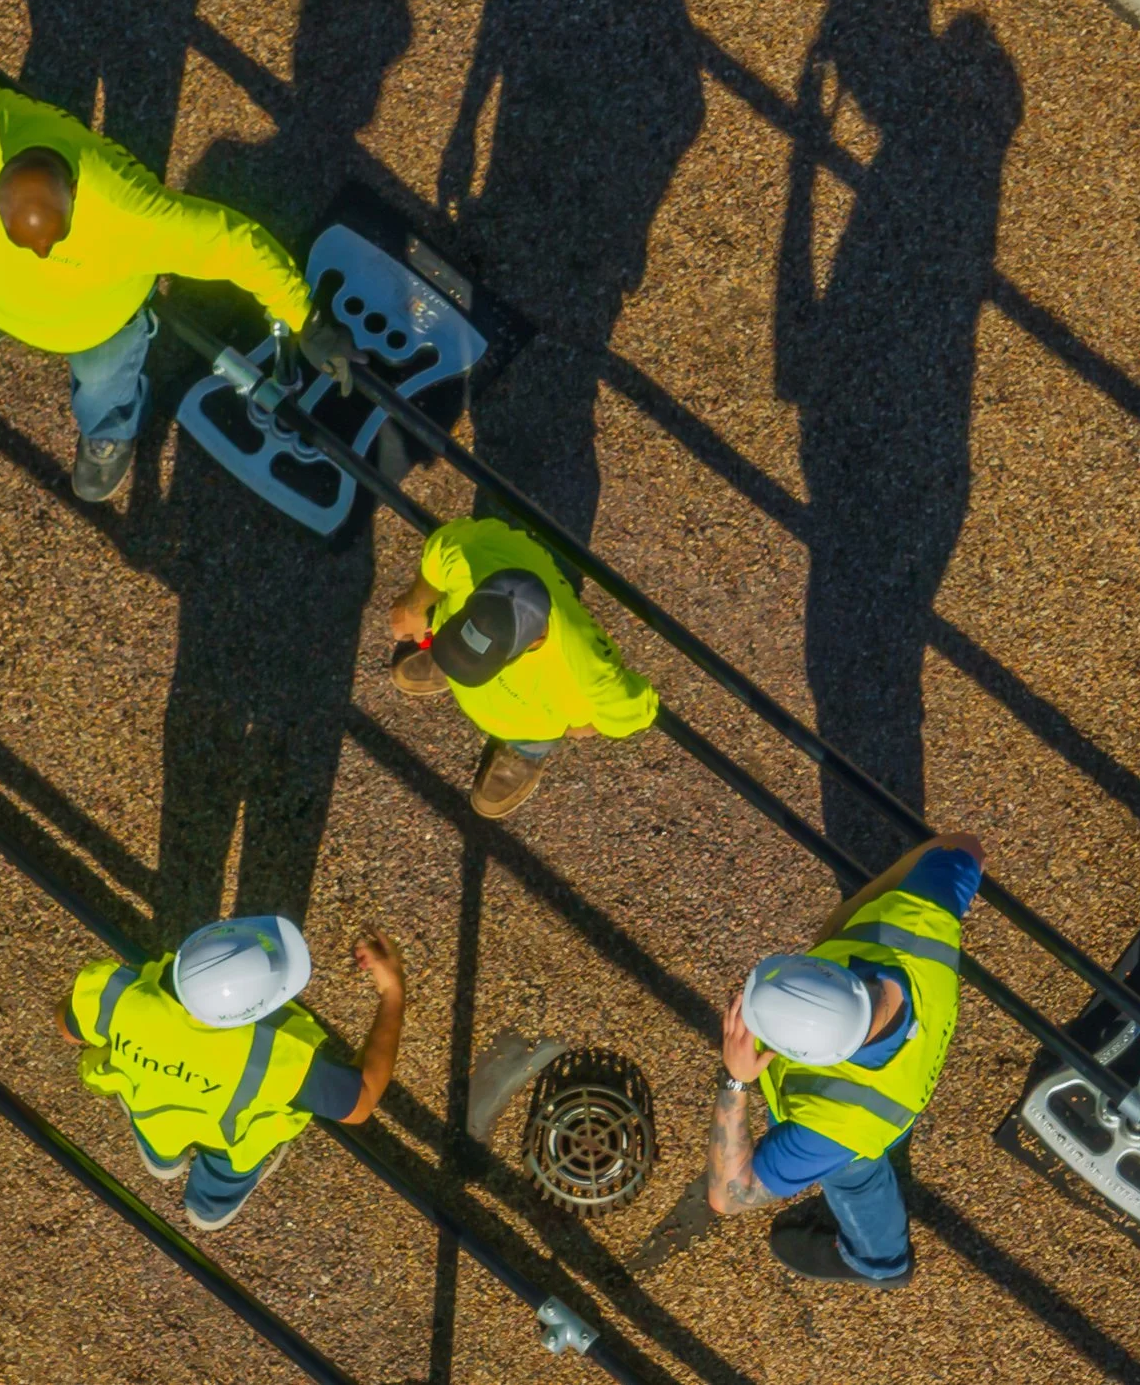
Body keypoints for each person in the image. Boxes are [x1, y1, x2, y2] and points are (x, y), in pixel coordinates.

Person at [0, 57, 355, 502]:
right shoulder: (131, 214)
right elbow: (235, 247)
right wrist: (308, 322)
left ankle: (8, 339)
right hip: (75, 321)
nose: (45, 255)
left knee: (90, 372)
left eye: (50, 244)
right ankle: (91, 414)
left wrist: (307, 318)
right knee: (101, 380)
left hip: (36, 307)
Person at [701, 832, 986, 1288]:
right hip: (902, 1078)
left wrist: (735, 1081)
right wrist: (866, 905)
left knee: (855, 1178)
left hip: (859, 1130)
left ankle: (879, 1263)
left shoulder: (830, 1130)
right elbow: (961, 849)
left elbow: (729, 1195)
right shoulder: (917, 922)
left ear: (810, 1058)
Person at [61, 916, 404, 1232]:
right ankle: (207, 1212)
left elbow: (68, 1027)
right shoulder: (278, 1058)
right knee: (231, 1168)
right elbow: (361, 1101)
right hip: (231, 1142)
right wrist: (393, 993)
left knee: (156, 1129)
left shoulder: (117, 994)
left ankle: (162, 1161)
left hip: (153, 1110)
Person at [386, 515, 658, 818]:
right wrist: (413, 606)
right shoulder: (473, 550)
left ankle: (526, 750)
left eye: (473, 659)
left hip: (526, 723)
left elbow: (631, 711)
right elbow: (439, 551)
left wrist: (594, 724)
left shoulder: (588, 668)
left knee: (532, 737)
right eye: (461, 648)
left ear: (533, 641)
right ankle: (453, 663)